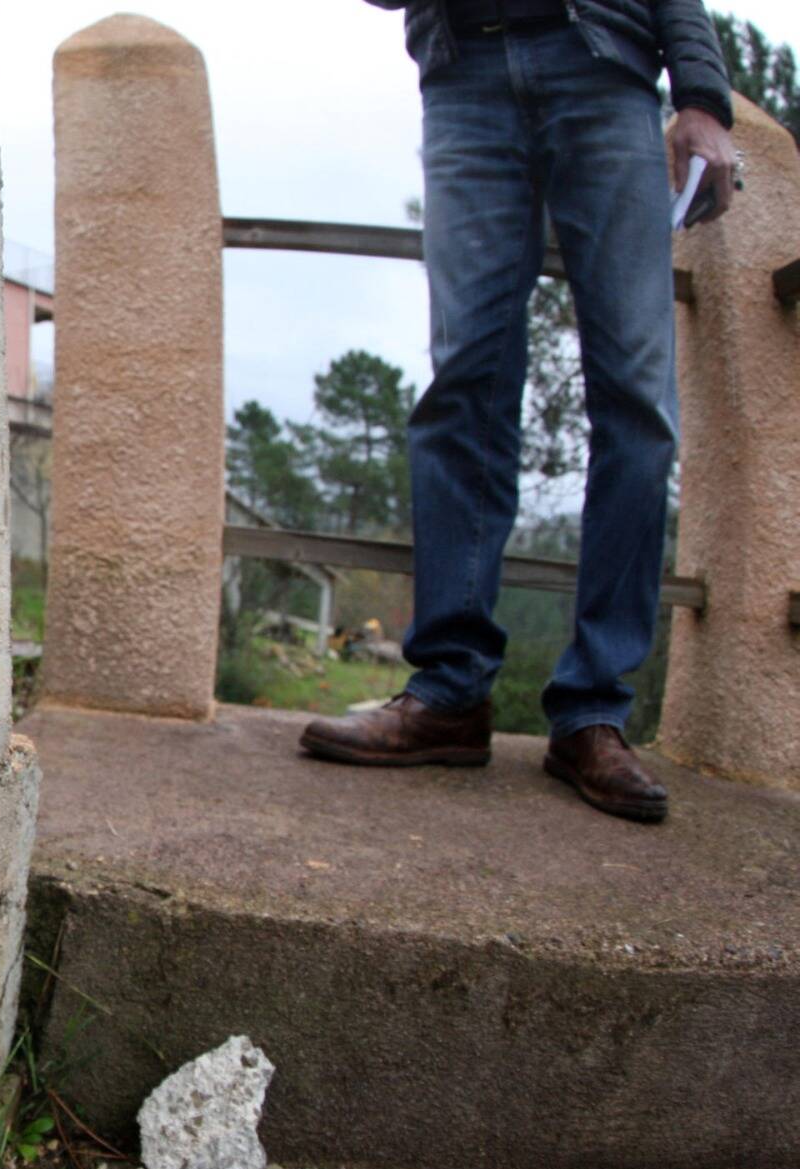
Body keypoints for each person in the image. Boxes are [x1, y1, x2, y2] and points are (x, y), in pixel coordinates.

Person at [301, 0, 740, 823]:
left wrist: (703, 96)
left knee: (637, 397)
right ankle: (451, 692)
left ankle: (593, 711)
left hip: (603, 63)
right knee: (464, 379)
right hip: (463, 69)